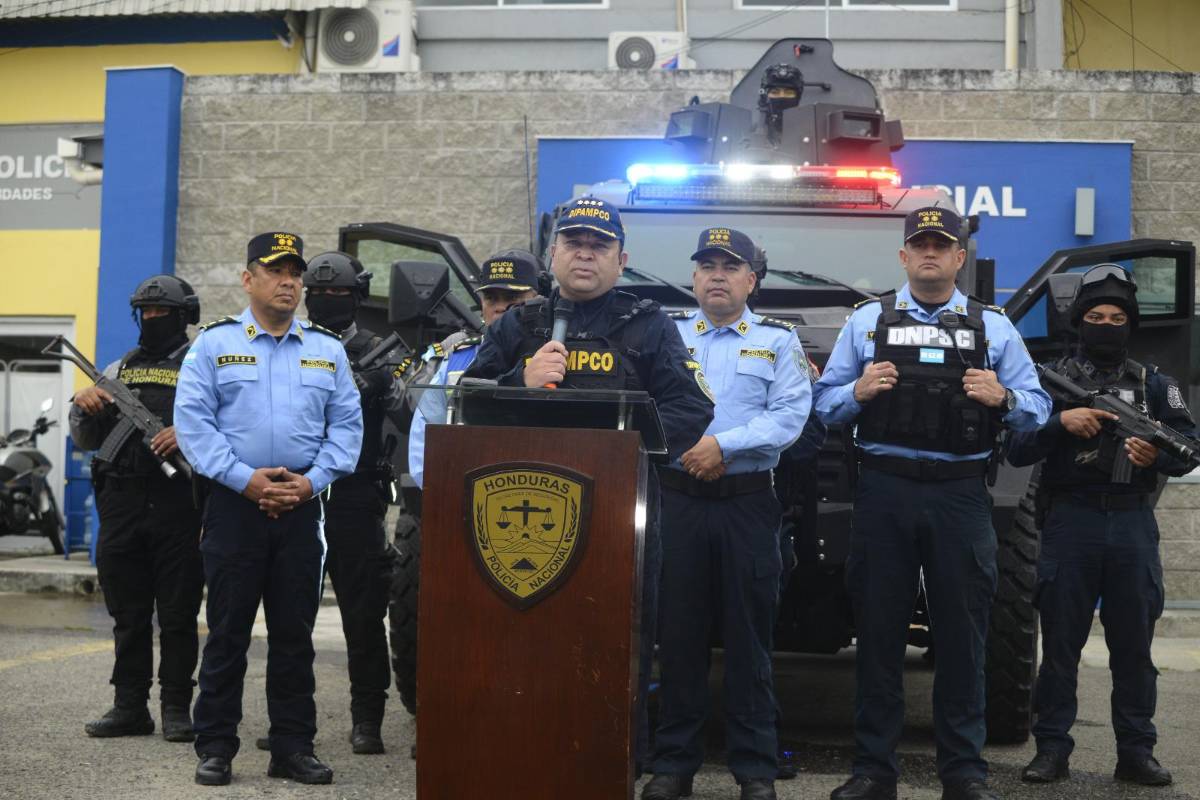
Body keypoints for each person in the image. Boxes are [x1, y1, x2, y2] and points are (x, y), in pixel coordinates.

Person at [461, 197, 714, 771]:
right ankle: (522, 761)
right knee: (522, 639)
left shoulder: (649, 325)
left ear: (620, 260)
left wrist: (622, 447)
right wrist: (519, 381)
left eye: (599, 245)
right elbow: (466, 402)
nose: (585, 254)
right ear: (552, 253)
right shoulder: (518, 324)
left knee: (615, 640)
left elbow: (692, 407)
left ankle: (613, 765)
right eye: (574, 242)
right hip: (522, 518)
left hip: (619, 515)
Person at [812, 206, 1051, 800]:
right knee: (878, 635)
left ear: (959, 258)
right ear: (902, 256)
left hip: (959, 495)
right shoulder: (867, 321)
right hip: (884, 492)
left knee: (963, 638)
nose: (929, 253)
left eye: (941, 245)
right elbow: (822, 404)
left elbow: (1039, 409)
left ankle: (964, 773)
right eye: (919, 244)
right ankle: (873, 771)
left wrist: (1003, 397)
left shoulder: (993, 327)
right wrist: (857, 391)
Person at [174, 232, 363, 787]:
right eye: (276, 270)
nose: (288, 282)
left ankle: (292, 747)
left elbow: (347, 427)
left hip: (303, 507)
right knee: (227, 633)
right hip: (235, 507)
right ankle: (215, 747)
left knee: (294, 636)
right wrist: (246, 480)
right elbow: (193, 425)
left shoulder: (327, 349)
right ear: (247, 279)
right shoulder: (213, 344)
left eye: (295, 273)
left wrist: (311, 482)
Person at [1008, 265, 1197, 788]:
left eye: (1117, 318)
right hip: (1070, 522)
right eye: (1096, 317)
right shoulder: (1049, 381)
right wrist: (1060, 423)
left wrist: (1154, 455)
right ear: (1079, 322)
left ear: (1130, 324)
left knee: (1134, 650)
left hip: (1132, 524)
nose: (1107, 325)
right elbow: (1016, 446)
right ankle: (1051, 750)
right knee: (1060, 647)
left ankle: (1136, 752)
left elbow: (1189, 448)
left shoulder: (1155, 384)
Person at [644, 228, 810, 800]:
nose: (717, 275)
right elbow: (645, 404)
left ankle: (756, 769)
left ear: (751, 281)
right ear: (694, 278)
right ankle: (673, 766)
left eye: (730, 266)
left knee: (749, 640)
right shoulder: (664, 334)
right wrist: (690, 452)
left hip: (746, 504)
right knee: (679, 636)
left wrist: (723, 446)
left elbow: (790, 415)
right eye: (707, 265)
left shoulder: (778, 340)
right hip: (678, 501)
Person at [75, 275, 204, 743]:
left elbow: (228, 427)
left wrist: (187, 435)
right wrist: (83, 407)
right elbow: (86, 440)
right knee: (128, 614)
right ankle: (129, 706)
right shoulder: (120, 367)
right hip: (122, 503)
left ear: (183, 315)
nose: (151, 319)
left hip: (178, 505)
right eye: (145, 312)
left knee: (177, 613)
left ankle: (176, 707)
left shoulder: (201, 364)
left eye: (161, 312)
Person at [289, 250, 408, 755]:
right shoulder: (291, 344)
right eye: (318, 293)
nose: (326, 300)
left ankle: (368, 720)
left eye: (337, 292)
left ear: (356, 297)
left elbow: (412, 415)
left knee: (363, 616)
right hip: (298, 494)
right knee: (291, 616)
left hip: (355, 497)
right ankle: (290, 719)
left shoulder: (378, 351)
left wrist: (384, 384)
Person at [407, 249, 543, 489]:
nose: (500, 307)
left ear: (538, 299)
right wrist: (440, 491)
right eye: (491, 298)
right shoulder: (456, 360)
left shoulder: (554, 356)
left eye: (512, 297)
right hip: (465, 490)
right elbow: (424, 440)